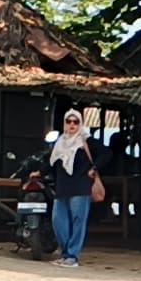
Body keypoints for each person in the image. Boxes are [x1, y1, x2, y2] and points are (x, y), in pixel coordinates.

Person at [42, 107, 98, 267]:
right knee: (58, 222)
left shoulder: (86, 141)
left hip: (80, 188)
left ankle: (72, 256)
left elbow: (106, 154)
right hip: (62, 188)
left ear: (80, 124)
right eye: (69, 121)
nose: (72, 124)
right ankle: (66, 253)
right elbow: (51, 162)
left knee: (78, 222)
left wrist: (94, 168)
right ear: (64, 123)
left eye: (76, 122)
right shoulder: (60, 142)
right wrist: (39, 172)